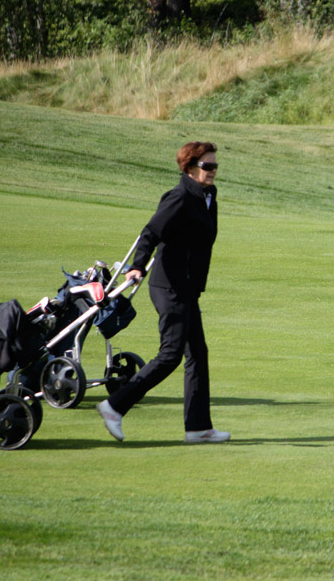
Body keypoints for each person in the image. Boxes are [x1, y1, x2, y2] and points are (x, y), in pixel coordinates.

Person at [96, 141, 230, 444]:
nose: (213, 171)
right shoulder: (179, 197)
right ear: (190, 167)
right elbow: (151, 232)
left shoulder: (208, 195)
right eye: (207, 166)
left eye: (215, 166)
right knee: (170, 355)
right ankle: (114, 406)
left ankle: (198, 428)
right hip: (169, 286)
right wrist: (137, 266)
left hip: (187, 286)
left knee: (197, 355)